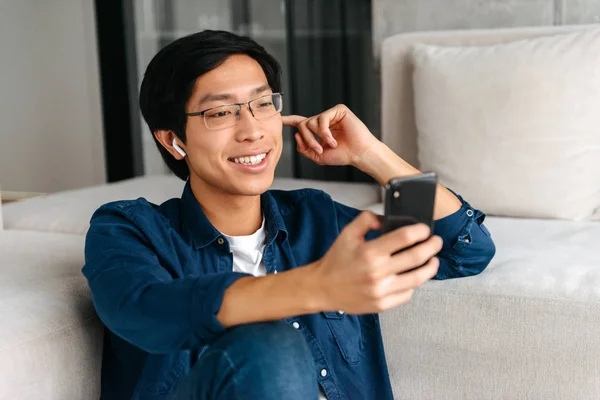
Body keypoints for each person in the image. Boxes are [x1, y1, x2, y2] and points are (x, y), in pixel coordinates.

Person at [82, 30, 496, 400]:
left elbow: (465, 250)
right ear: (173, 140)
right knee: (268, 345)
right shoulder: (130, 229)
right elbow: (145, 310)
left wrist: (371, 155)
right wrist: (318, 286)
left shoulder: (315, 219)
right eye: (221, 112)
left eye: (263, 104)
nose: (253, 130)